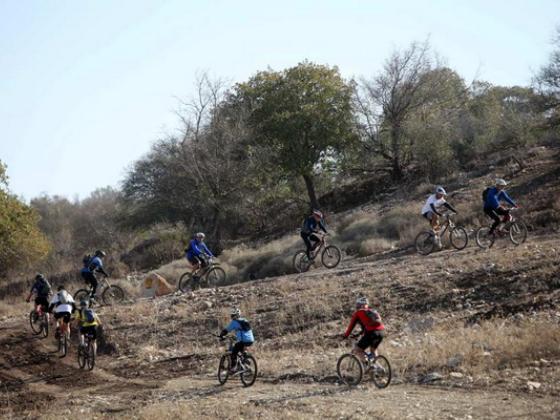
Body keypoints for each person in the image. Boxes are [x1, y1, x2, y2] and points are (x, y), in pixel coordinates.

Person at [342, 297, 385, 361]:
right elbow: (367, 325)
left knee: (358, 350)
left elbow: (351, 326)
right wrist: (361, 333)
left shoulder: (358, 313)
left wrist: (345, 336)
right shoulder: (372, 311)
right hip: (381, 332)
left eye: (357, 304)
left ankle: (366, 365)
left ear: (359, 305)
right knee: (373, 349)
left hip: (371, 333)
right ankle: (377, 367)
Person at [219, 308, 254, 373]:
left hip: (243, 340)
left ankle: (233, 368)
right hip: (251, 340)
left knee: (234, 352)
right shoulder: (245, 320)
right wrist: (236, 337)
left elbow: (227, 330)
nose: (232, 317)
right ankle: (245, 360)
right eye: (231, 315)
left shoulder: (235, 322)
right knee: (240, 349)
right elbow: (243, 331)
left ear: (237, 315)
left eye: (233, 315)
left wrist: (221, 335)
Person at [48, 285, 76, 351]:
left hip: (59, 311)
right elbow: (74, 306)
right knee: (67, 325)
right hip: (68, 311)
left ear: (59, 290)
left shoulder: (57, 295)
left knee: (55, 319)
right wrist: (72, 311)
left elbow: (51, 305)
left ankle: (57, 329)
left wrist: (50, 310)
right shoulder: (68, 294)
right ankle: (68, 338)